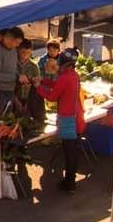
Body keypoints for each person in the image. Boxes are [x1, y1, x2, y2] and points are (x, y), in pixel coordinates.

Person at [37, 51, 86, 191]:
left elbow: (52, 96)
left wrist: (38, 87)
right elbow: (57, 85)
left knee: (69, 152)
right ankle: (70, 180)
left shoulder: (65, 77)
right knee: (72, 151)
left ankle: (70, 182)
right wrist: (43, 81)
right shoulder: (73, 75)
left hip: (68, 119)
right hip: (76, 117)